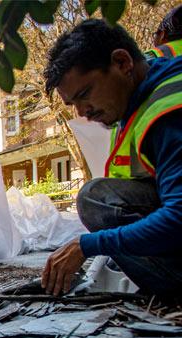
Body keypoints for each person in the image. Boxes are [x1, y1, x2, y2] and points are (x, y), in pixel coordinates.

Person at [42, 19, 182, 299]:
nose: (83, 112)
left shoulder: (170, 112)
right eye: (73, 104)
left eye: (85, 94)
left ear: (121, 62)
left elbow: (178, 218)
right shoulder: (147, 82)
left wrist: (89, 245)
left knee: (95, 200)